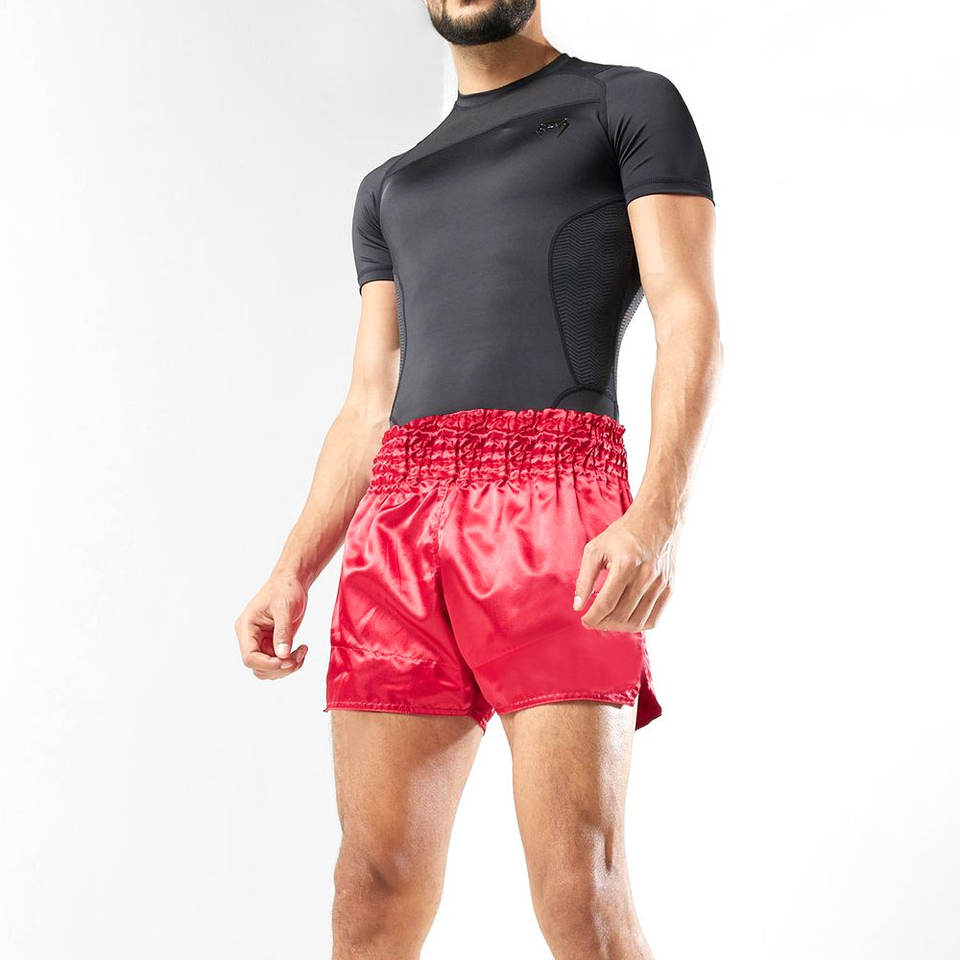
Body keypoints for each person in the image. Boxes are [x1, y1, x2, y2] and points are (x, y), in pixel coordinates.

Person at [235, 2, 720, 957]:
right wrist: (292, 568)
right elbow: (369, 400)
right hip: (397, 527)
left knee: (578, 885)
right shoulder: (390, 186)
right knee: (369, 885)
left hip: (556, 505)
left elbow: (688, 314)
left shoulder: (627, 105)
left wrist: (659, 513)